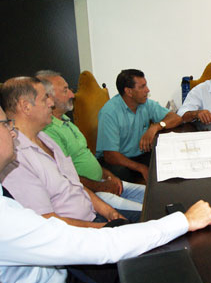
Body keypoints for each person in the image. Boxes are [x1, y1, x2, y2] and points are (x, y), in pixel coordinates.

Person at [0, 104, 211, 283]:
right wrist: (184, 221)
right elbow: (100, 245)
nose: (12, 131)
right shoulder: (5, 220)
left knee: (161, 274)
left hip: (62, 281)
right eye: (5, 124)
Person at [0, 77, 139, 226]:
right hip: (78, 232)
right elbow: (46, 222)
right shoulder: (15, 158)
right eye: (44, 99)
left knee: (153, 217)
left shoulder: (45, 137)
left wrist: (109, 211)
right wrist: (104, 228)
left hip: (94, 215)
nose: (51, 103)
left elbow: (75, 184)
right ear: (25, 106)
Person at [36, 70, 145, 212]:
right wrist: (101, 186)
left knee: (155, 194)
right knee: (148, 212)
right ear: (48, 97)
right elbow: (66, 176)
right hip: (92, 193)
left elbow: (87, 157)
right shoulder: (47, 132)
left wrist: (108, 176)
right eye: (65, 90)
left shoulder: (66, 121)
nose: (72, 95)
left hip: (103, 182)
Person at [96, 69, 182, 183]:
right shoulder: (109, 113)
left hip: (140, 154)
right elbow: (110, 155)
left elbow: (176, 118)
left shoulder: (145, 103)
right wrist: (140, 168)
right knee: (122, 173)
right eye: (142, 87)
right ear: (129, 92)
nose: (147, 90)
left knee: (169, 159)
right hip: (117, 160)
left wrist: (156, 127)